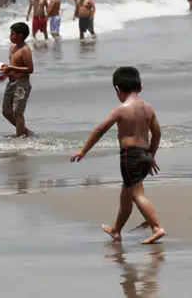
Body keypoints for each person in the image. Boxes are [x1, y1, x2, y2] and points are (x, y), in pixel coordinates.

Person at [70, 66, 166, 245]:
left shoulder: (121, 109)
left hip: (130, 156)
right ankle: (116, 230)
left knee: (137, 194)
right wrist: (151, 155)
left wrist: (83, 150)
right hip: (145, 154)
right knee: (126, 195)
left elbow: (100, 130)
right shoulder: (149, 108)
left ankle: (156, 227)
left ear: (117, 89)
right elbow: (157, 133)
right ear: (141, 87)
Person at [2, 22, 34, 137]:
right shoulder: (12, 48)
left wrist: (11, 67)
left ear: (20, 35)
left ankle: (19, 137)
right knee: (6, 112)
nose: (10, 36)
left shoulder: (25, 50)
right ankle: (26, 132)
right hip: (11, 83)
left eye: (12, 34)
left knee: (18, 112)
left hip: (22, 84)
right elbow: (12, 66)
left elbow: (30, 69)